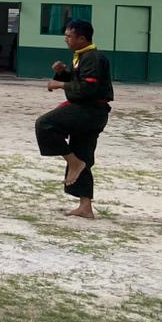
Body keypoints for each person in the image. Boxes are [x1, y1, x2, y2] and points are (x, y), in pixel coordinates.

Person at [36, 19, 114, 219]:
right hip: (93, 113)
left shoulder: (93, 58)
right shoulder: (82, 56)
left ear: (82, 38)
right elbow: (76, 80)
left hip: (89, 111)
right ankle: (85, 206)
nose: (66, 39)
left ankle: (73, 162)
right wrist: (62, 73)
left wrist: (60, 84)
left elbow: (87, 88)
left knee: (44, 124)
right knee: (83, 154)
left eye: (69, 36)